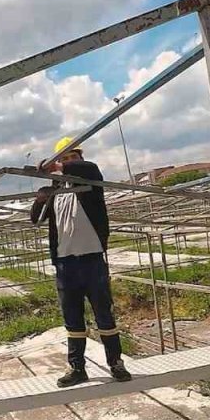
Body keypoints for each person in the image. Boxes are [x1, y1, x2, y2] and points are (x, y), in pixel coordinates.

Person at [31, 137, 132, 388]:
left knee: (104, 314)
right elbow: (35, 219)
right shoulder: (56, 191)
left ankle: (116, 363)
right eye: (63, 158)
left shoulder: (90, 181)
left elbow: (89, 169)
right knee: (72, 319)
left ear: (80, 159)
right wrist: (40, 199)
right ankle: (77, 368)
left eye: (72, 158)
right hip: (65, 263)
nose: (67, 162)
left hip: (91, 259)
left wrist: (56, 166)